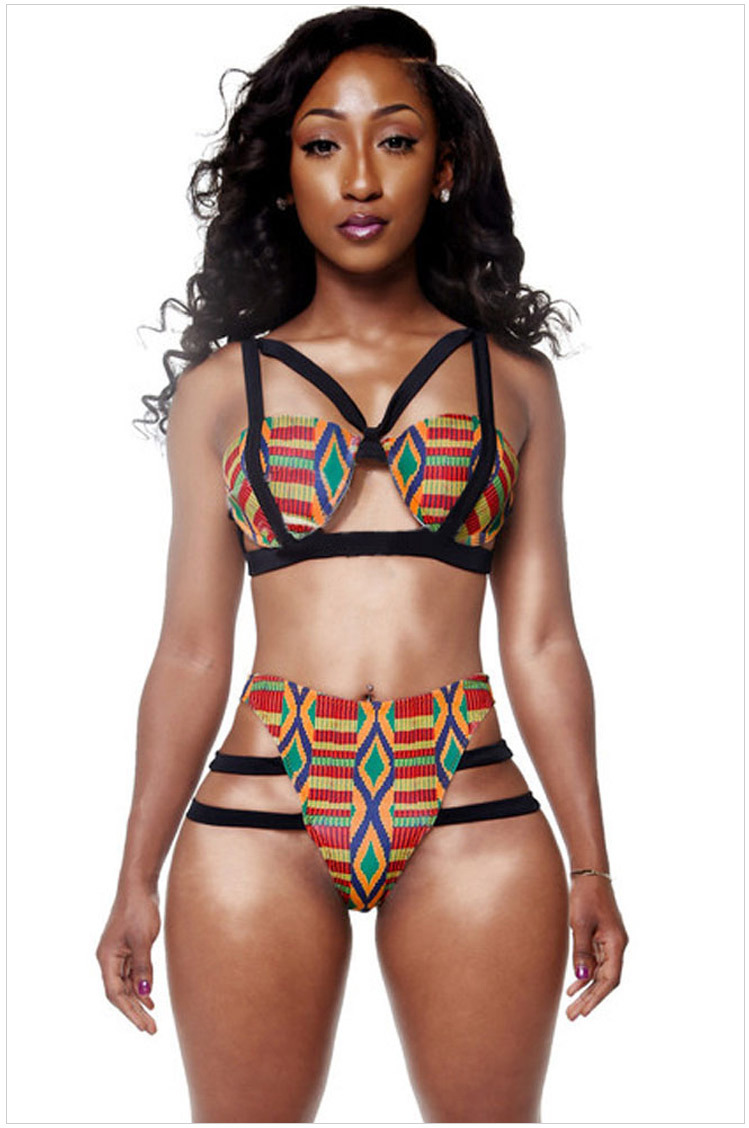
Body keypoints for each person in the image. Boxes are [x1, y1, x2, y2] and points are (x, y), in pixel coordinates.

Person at [96, 6, 629, 1122]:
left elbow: (541, 638)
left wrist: (592, 862)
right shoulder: (220, 392)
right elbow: (191, 650)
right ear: (283, 174)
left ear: (444, 168)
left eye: (393, 139)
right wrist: (133, 877)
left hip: (469, 794)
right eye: (320, 143)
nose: (358, 177)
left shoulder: (515, 383)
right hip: (261, 801)